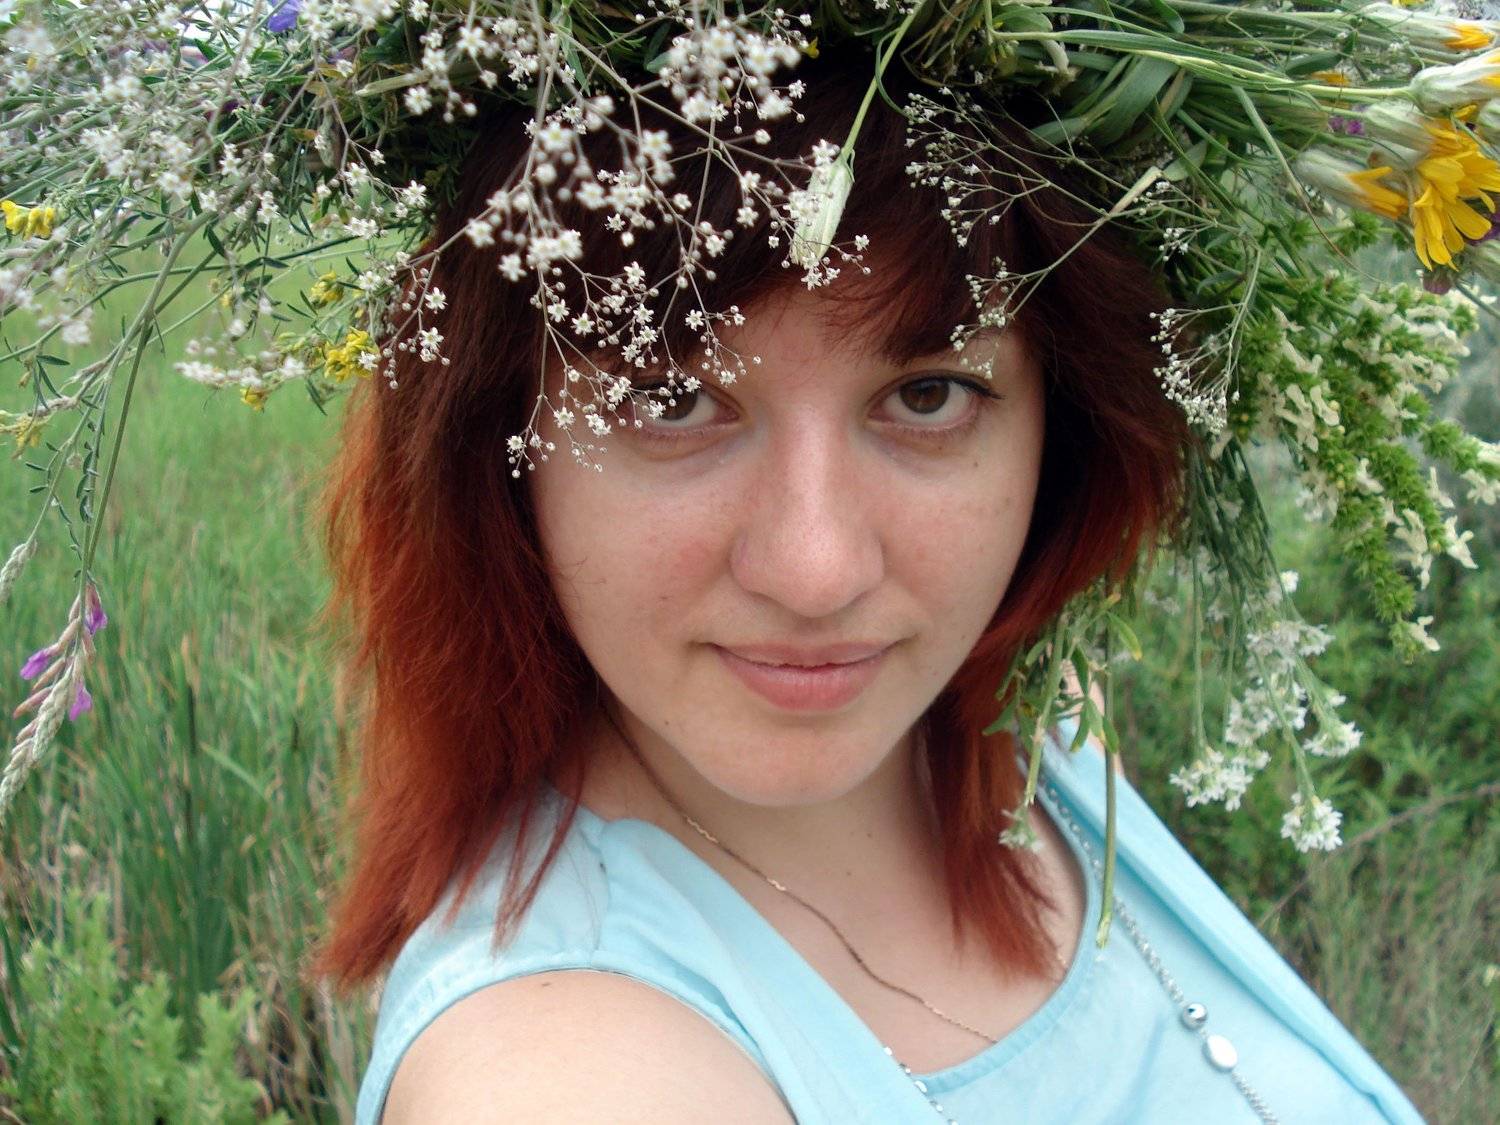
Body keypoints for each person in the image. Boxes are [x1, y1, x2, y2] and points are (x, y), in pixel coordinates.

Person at [312, 53, 1423, 1125]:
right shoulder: (562, 1071)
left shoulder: (1035, 719)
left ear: (1065, 427)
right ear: (492, 444)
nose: (817, 572)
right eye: (669, 399)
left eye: (929, 396)